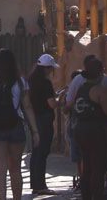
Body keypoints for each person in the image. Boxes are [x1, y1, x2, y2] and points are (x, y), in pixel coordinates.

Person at [0, 48, 39, 200]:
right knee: (15, 169)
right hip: (15, 124)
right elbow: (27, 106)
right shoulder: (20, 81)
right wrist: (35, 131)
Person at [73, 58, 107, 200]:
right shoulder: (100, 90)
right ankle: (97, 195)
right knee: (98, 168)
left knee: (87, 166)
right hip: (97, 132)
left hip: (81, 129)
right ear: (100, 74)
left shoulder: (81, 88)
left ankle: (86, 196)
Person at [28, 54, 61, 195]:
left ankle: (35, 184)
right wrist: (61, 98)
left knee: (36, 152)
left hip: (33, 119)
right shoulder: (46, 83)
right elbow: (52, 103)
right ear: (47, 68)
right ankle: (41, 185)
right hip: (44, 119)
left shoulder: (30, 81)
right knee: (42, 152)